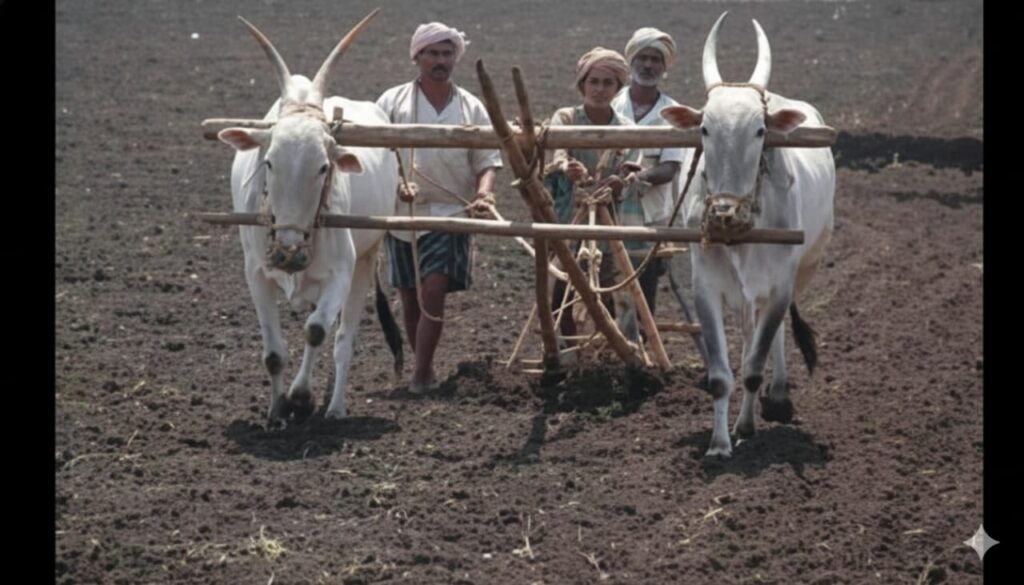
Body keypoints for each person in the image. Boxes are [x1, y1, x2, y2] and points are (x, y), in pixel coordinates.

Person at [377, 22, 503, 393]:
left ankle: (420, 373)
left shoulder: (470, 106)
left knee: (433, 289)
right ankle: (426, 368)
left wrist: (484, 194)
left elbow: (487, 161)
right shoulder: (392, 102)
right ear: (417, 57)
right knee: (410, 295)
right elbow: (376, 157)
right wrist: (397, 184)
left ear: (454, 59)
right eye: (432, 53)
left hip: (450, 212)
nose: (440, 61)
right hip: (402, 212)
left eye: (447, 54)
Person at [543, 47, 641, 348]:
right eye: (593, 82)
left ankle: (607, 349)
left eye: (607, 83)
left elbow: (632, 170)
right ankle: (565, 348)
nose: (599, 89)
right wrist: (566, 168)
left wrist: (620, 181)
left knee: (607, 286)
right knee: (561, 285)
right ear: (582, 84)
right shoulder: (566, 117)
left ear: (618, 87)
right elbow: (557, 154)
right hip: (569, 216)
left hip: (608, 220)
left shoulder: (626, 128)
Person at [610, 27, 689, 339]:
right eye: (642, 58)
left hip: (651, 215)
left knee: (644, 288)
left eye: (655, 60)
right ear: (631, 61)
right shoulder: (610, 105)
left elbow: (669, 167)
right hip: (608, 213)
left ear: (664, 67)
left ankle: (642, 349)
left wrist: (637, 177)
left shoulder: (672, 113)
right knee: (604, 282)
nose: (648, 65)